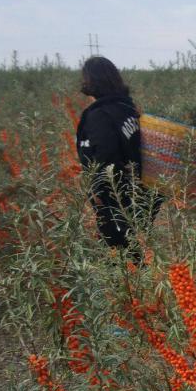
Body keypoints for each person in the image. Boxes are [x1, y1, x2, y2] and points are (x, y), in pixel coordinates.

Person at [75, 55, 151, 250]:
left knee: (121, 256)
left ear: (90, 82)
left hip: (116, 201)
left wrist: (100, 195)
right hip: (142, 196)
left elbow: (106, 160)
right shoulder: (128, 109)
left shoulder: (99, 115)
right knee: (141, 248)